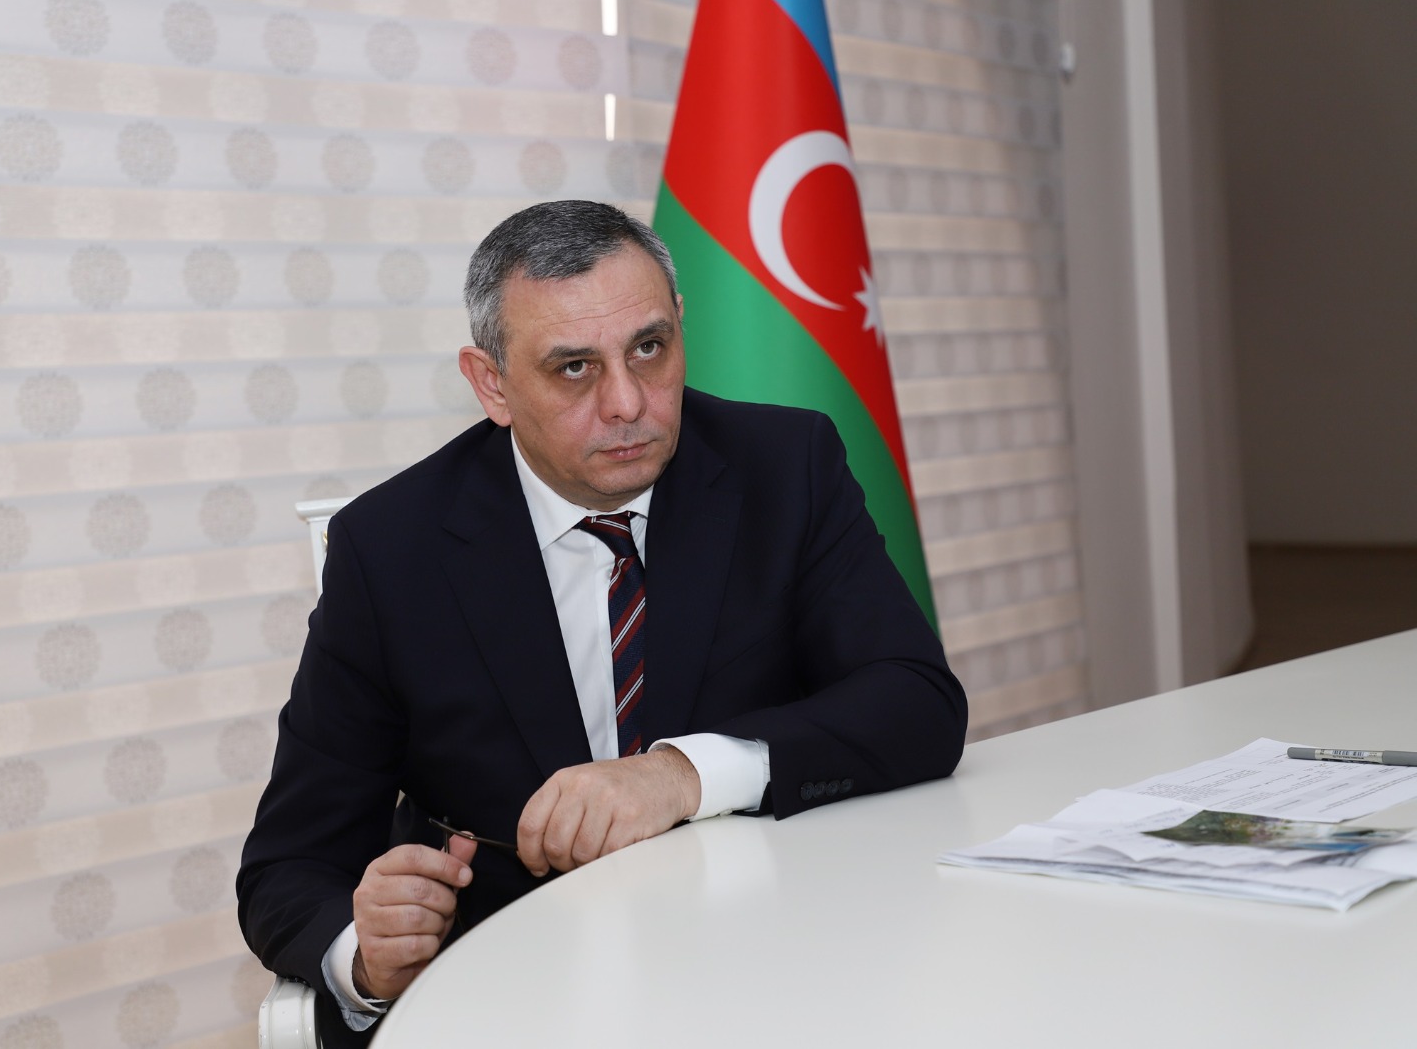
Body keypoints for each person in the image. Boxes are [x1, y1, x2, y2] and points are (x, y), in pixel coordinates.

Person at [237, 200, 966, 1045]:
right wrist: (366, 958)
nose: (628, 402)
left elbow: (917, 703)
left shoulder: (785, 466)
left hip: (777, 955)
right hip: (525, 993)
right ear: (492, 383)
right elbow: (290, 863)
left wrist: (683, 775)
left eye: (649, 348)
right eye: (575, 368)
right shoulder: (391, 549)